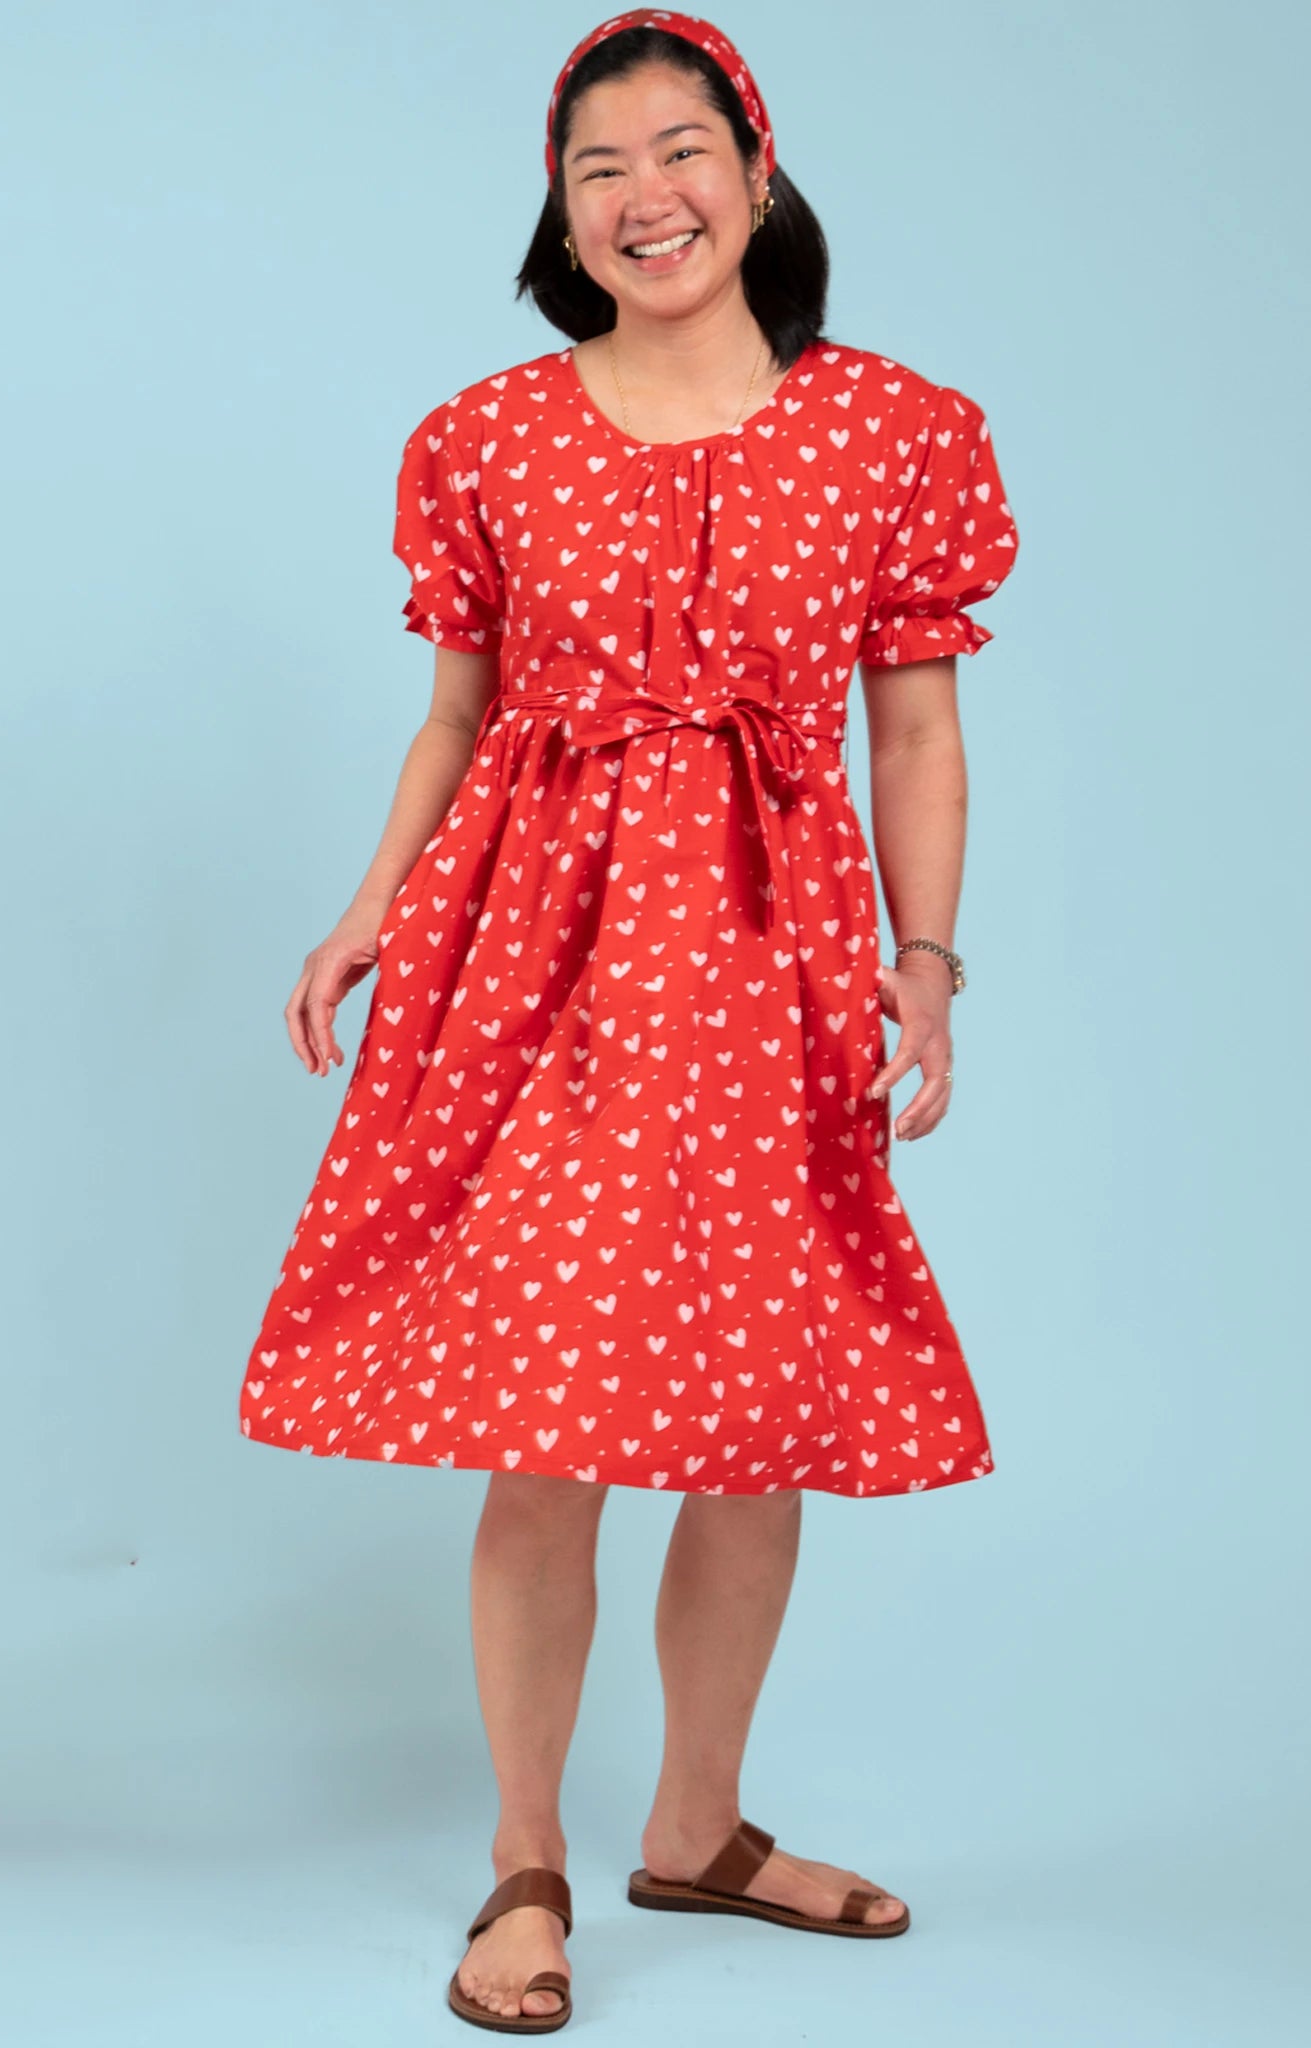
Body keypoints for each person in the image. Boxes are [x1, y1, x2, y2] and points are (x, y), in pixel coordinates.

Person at [238, 9, 1020, 2032]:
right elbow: (460, 721)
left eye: (683, 151)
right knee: (545, 1412)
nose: (646, 194)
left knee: (750, 1416)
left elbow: (913, 727)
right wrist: (369, 906)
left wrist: (926, 971)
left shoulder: (898, 431)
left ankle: (700, 1824)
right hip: (538, 974)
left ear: (758, 178)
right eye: (600, 168)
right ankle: (525, 1863)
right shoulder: (488, 437)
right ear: (564, 219)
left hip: (769, 976)